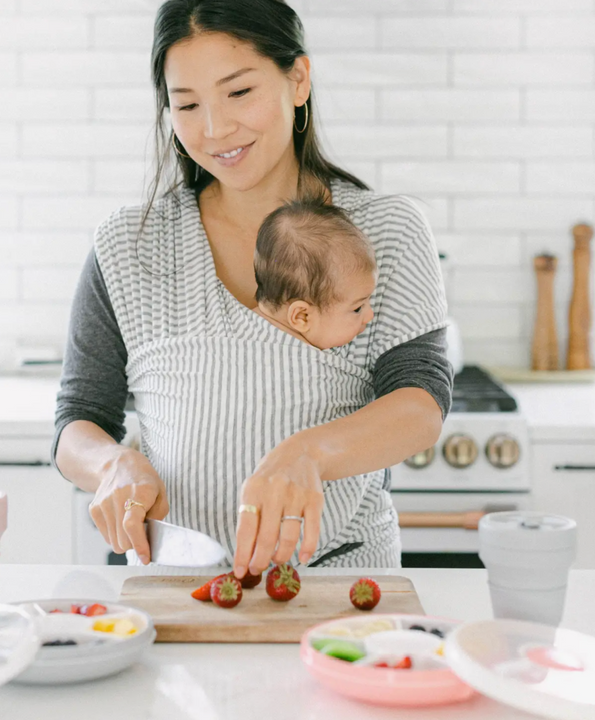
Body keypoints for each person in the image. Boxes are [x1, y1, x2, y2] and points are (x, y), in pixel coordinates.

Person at [53, 0, 453, 577]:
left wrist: (308, 452)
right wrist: (111, 463)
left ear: (298, 79)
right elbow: (78, 418)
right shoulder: (128, 244)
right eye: (187, 104)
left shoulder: (386, 229)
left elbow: (421, 404)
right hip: (174, 577)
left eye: (238, 93)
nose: (214, 129)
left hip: (339, 582)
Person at [252, 197, 377, 350]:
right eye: (357, 308)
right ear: (302, 317)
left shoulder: (228, 326)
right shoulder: (312, 369)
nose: (370, 315)